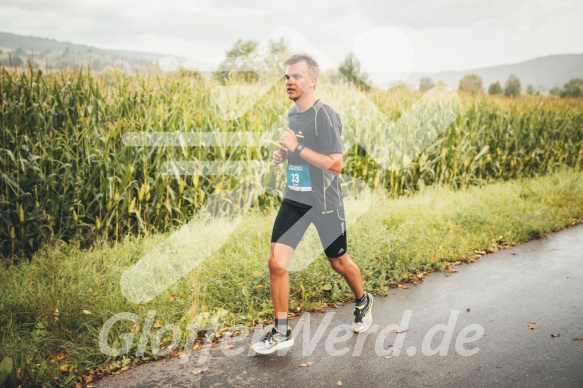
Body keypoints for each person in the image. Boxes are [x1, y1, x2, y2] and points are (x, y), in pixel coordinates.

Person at [251, 53, 373, 355]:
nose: (289, 82)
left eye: (296, 76)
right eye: (287, 77)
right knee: (276, 263)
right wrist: (286, 156)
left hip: (324, 203)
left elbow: (335, 164)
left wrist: (298, 147)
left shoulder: (325, 115)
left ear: (313, 80)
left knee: (338, 263)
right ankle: (282, 331)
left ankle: (363, 300)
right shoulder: (294, 114)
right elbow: (301, 154)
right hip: (295, 198)